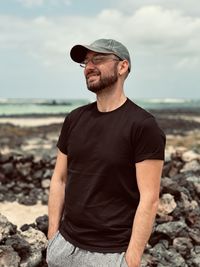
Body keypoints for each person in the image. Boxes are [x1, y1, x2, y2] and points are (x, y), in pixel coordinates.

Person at [46, 38, 166, 267]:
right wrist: (53, 238)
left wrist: (130, 260)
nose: (89, 67)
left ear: (123, 67)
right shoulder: (74, 119)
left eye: (98, 59)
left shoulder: (143, 126)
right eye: (86, 62)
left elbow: (149, 198)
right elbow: (59, 179)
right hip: (64, 247)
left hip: (110, 254)